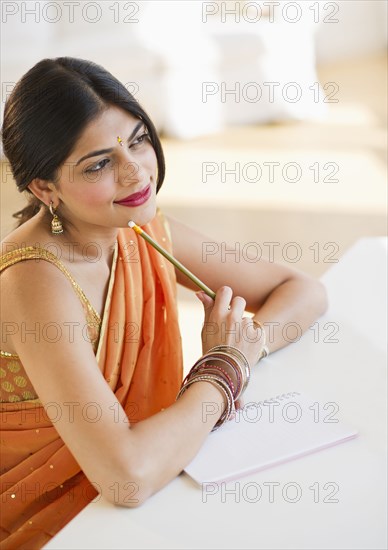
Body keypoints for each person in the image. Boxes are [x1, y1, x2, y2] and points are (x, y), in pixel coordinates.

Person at [0, 57, 328, 549]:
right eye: (99, 164)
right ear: (44, 187)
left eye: (137, 140)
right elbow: (126, 478)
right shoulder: (35, 280)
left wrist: (245, 348)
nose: (135, 174)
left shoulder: (137, 229)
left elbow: (303, 291)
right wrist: (225, 367)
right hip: (63, 522)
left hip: (159, 468)